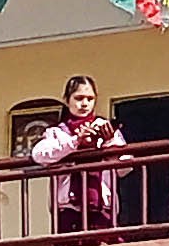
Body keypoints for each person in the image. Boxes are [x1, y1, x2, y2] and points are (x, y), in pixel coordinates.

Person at [24, 74, 127, 233]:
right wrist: (75, 142)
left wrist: (109, 142)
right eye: (79, 98)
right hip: (68, 208)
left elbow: (125, 168)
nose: (84, 104)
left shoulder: (105, 127)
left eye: (90, 99)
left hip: (103, 206)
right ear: (67, 100)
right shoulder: (57, 132)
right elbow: (39, 155)